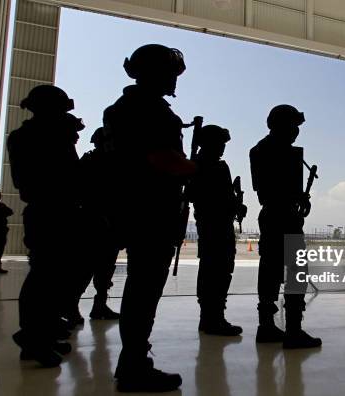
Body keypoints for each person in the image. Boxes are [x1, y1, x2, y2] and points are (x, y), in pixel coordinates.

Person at [102, 44, 196, 392]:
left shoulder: (119, 109)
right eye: (170, 73)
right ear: (156, 73)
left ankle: (133, 361)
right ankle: (133, 367)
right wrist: (194, 170)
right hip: (151, 209)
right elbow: (162, 159)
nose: (174, 80)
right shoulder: (151, 110)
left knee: (139, 288)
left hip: (128, 206)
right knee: (144, 290)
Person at [7, 85, 83, 367]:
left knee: (56, 277)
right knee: (44, 277)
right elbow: (41, 178)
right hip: (49, 211)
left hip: (59, 211)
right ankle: (32, 336)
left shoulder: (45, 135)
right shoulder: (34, 137)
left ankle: (41, 335)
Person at [250, 104, 322, 349]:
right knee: (291, 271)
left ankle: (269, 326)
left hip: (282, 217)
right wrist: (295, 199)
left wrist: (300, 200)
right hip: (279, 217)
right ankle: (291, 330)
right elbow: (267, 192)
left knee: (274, 271)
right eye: (293, 126)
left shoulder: (273, 151)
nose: (296, 132)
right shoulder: (265, 151)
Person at [189, 125, 246, 336]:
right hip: (213, 225)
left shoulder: (211, 165)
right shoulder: (203, 165)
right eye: (220, 143)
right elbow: (203, 196)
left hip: (218, 223)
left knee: (218, 270)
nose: (222, 148)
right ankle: (212, 318)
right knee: (215, 270)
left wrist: (236, 206)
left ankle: (212, 317)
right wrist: (233, 206)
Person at [78, 127, 120, 320]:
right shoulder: (91, 162)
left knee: (105, 269)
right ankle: (70, 307)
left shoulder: (113, 162)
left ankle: (100, 305)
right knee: (85, 268)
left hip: (110, 223)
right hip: (92, 223)